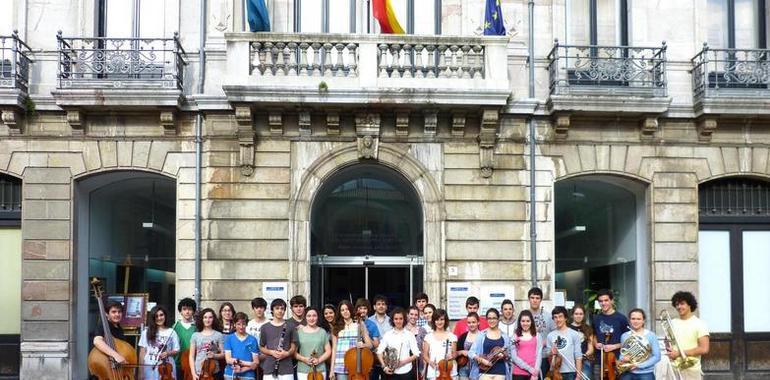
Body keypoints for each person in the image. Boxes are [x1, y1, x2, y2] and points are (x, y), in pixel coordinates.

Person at [667, 291, 709, 380]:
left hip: (691, 369)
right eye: (677, 304)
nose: (679, 307)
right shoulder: (672, 323)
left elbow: (704, 349)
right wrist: (669, 348)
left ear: (690, 305)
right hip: (673, 368)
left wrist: (679, 353)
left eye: (682, 304)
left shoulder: (699, 324)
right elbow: (668, 342)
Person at [330, 299, 373, 380]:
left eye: (347, 309)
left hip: (355, 363)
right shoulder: (336, 327)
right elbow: (334, 349)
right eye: (342, 310)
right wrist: (332, 369)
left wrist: (363, 345)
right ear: (340, 312)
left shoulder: (359, 324)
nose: (345, 312)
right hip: (340, 364)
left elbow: (370, 345)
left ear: (351, 310)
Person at [592, 289, 629, 378]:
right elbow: (593, 335)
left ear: (611, 301)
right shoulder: (596, 318)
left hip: (616, 360)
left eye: (606, 300)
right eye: (601, 301)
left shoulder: (621, 318)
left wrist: (614, 346)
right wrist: (596, 343)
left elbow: (628, 341)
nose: (603, 303)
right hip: (599, 360)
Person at [468, 308, 512, 380]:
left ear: (498, 319)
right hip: (484, 371)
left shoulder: (505, 336)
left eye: (494, 318)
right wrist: (482, 360)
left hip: (500, 372)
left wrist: (504, 355)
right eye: (489, 318)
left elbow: (509, 355)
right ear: (487, 319)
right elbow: (471, 353)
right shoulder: (481, 335)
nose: (492, 320)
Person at [377, 308, 421, 380]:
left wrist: (402, 363)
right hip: (391, 372)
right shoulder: (387, 335)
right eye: (396, 319)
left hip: (406, 371)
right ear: (393, 320)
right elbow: (379, 352)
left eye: (401, 319)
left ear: (404, 320)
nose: (398, 321)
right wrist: (384, 367)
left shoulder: (409, 335)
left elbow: (416, 354)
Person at [260, 298, 297, 380]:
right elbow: (261, 347)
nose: (280, 311)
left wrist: (286, 354)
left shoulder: (291, 326)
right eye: (277, 308)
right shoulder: (265, 327)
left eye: (282, 308)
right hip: (269, 367)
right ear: (272, 310)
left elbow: (294, 346)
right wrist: (271, 352)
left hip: (287, 368)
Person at [139, 305, 180, 380]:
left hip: (167, 367)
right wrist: (140, 371)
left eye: (161, 315)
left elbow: (177, 350)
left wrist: (168, 353)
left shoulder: (172, 332)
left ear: (165, 316)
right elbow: (142, 352)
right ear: (153, 318)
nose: (159, 318)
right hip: (150, 366)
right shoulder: (146, 332)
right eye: (156, 316)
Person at [618, 308, 660, 380]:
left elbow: (657, 356)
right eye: (633, 319)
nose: (636, 321)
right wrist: (623, 358)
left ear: (643, 321)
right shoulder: (624, 336)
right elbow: (622, 354)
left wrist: (639, 366)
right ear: (629, 321)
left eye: (638, 319)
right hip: (627, 373)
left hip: (645, 374)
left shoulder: (651, 335)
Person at [546, 306, 583, 380]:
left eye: (560, 317)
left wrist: (578, 375)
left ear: (565, 318)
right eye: (555, 317)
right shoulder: (550, 335)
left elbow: (578, 356)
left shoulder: (574, 334)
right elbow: (548, 356)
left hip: (570, 372)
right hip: (555, 372)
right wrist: (552, 353)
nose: (558, 319)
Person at [295, 307, 332, 379]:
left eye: (314, 316)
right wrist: (304, 359)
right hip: (303, 370)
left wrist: (319, 360)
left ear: (317, 317)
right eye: (309, 316)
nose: (311, 318)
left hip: (320, 370)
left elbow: (328, 351)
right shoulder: (299, 332)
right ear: (305, 317)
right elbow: (294, 353)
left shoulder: (322, 332)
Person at [189, 308, 226, 380]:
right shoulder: (195, 335)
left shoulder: (218, 335)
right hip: (199, 372)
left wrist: (214, 355)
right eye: (205, 317)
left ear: (213, 319)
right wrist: (193, 374)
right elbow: (191, 356)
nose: (207, 320)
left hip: (214, 372)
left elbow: (223, 354)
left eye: (210, 317)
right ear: (202, 319)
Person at [422, 309, 457, 380]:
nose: (439, 322)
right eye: (437, 320)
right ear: (434, 321)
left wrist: (452, 356)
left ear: (445, 320)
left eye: (442, 319)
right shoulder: (428, 337)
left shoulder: (452, 336)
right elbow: (425, 355)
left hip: (449, 372)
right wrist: (431, 362)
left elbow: (454, 354)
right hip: (433, 372)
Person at [527, 287, 554, 376]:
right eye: (532, 298)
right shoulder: (523, 316)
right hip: (527, 356)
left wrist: (544, 342)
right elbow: (517, 334)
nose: (535, 300)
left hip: (544, 357)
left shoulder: (548, 316)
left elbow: (555, 335)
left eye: (537, 298)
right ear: (529, 299)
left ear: (541, 300)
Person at [224, 312, 260, 380]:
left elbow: (256, 363)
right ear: (234, 324)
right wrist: (249, 364)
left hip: (248, 375)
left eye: (243, 324)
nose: (241, 327)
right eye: (238, 324)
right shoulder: (229, 338)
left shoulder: (252, 340)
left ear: (246, 324)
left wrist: (242, 368)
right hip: (231, 374)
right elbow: (228, 359)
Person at [93, 300, 130, 366]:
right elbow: (97, 341)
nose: (117, 314)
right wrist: (116, 355)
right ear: (107, 314)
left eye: (119, 312)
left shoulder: (118, 327)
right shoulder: (103, 326)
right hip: (106, 366)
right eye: (114, 312)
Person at [355, 298, 381, 380]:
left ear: (368, 310)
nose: (362, 310)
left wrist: (366, 333)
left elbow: (376, 344)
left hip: (368, 358)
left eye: (365, 308)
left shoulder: (372, 325)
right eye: (360, 308)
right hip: (353, 357)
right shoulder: (352, 322)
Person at [510, 310, 541, 380]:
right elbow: (514, 357)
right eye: (523, 321)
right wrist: (530, 369)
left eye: (528, 321)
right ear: (519, 322)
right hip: (518, 373)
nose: (525, 323)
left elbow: (539, 354)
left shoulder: (537, 336)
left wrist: (535, 372)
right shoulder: (514, 337)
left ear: (531, 322)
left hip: (534, 374)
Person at [568, 305, 595, 377]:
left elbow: (591, 348)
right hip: (570, 361)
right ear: (572, 315)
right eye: (576, 314)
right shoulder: (567, 328)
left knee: (585, 375)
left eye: (581, 314)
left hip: (584, 360)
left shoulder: (588, 328)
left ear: (583, 315)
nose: (578, 316)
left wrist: (584, 355)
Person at [175, 298, 197, 379]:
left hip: (193, 363)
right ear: (180, 311)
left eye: (190, 309)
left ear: (193, 311)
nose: (187, 312)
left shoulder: (197, 327)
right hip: (178, 362)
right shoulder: (175, 327)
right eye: (184, 309)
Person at [456, 312, 480, 380]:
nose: (471, 324)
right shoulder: (463, 336)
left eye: (473, 322)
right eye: (469, 322)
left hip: (477, 368)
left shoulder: (483, 336)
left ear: (478, 322)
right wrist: (462, 352)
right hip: (464, 368)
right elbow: (456, 352)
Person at [405, 306, 428, 380]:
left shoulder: (422, 330)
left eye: (416, 315)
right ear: (407, 315)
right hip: (405, 363)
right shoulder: (402, 329)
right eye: (411, 314)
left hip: (419, 363)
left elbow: (425, 350)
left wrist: (424, 367)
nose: (413, 317)